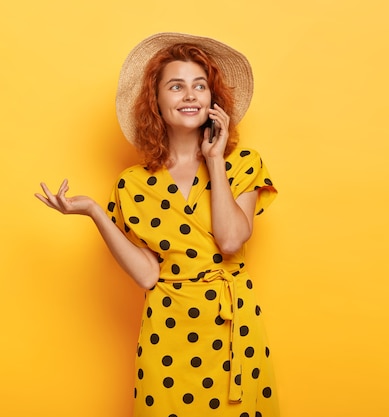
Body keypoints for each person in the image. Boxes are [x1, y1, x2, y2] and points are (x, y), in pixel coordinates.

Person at [35, 32, 279, 417]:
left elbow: (231, 241)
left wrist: (215, 159)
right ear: (156, 100)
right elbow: (149, 275)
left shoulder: (242, 162)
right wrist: (95, 212)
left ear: (213, 99)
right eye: (176, 86)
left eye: (200, 86)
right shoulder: (132, 184)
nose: (190, 95)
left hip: (233, 332)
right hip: (167, 334)